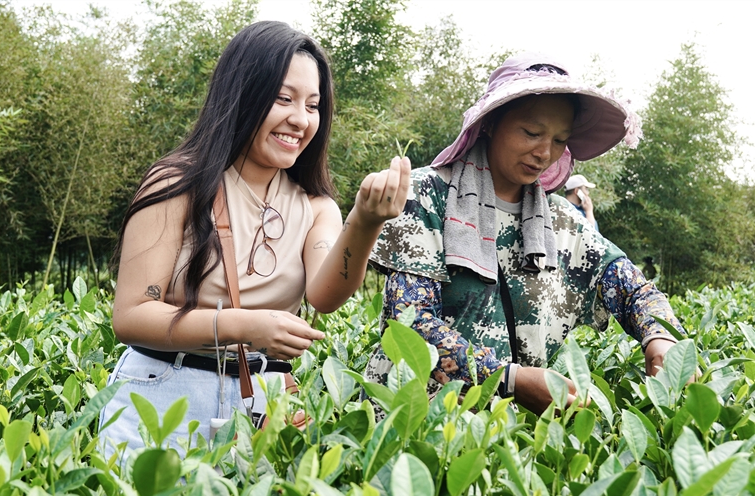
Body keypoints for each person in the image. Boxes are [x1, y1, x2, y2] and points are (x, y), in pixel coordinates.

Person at [98, 21, 411, 459]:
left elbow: (325, 295)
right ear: (243, 94)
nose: (301, 119)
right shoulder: (177, 185)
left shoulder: (316, 206)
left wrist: (365, 221)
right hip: (164, 395)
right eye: (283, 98)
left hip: (262, 405)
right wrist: (247, 326)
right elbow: (132, 316)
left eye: (313, 104)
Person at [365, 52, 686, 415]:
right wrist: (509, 381)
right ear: (489, 123)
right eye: (532, 133)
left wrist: (660, 336)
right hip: (408, 423)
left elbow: (631, 286)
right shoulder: (426, 196)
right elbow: (410, 324)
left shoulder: (561, 221)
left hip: (503, 441)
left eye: (560, 140)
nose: (545, 153)